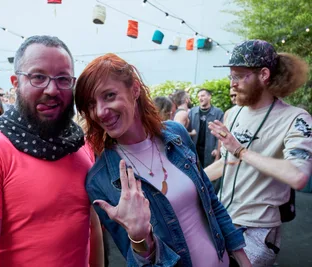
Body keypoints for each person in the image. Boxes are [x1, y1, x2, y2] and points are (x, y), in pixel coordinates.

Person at [75, 53, 250, 267]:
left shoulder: (175, 135)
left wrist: (242, 259)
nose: (100, 112)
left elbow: (211, 202)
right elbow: (136, 260)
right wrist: (140, 237)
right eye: (91, 104)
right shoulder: (101, 180)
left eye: (109, 95)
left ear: (135, 90)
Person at [0, 35, 103, 267]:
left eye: (63, 79)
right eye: (38, 77)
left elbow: (92, 230)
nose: (52, 89)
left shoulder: (78, 146)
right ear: (15, 82)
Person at [206, 39, 312, 266]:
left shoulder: (296, 119)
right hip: (223, 222)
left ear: (263, 75)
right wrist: (185, 180)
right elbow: (227, 163)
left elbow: (298, 175)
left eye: (238, 75)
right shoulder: (233, 113)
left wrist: (241, 150)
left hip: (256, 233)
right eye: (230, 76)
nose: (232, 84)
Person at [189, 89, 224, 168]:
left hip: (210, 150)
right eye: (198, 97)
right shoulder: (192, 112)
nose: (200, 98)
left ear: (209, 97)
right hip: (195, 150)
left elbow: (221, 133)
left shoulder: (218, 113)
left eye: (203, 96)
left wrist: (216, 149)